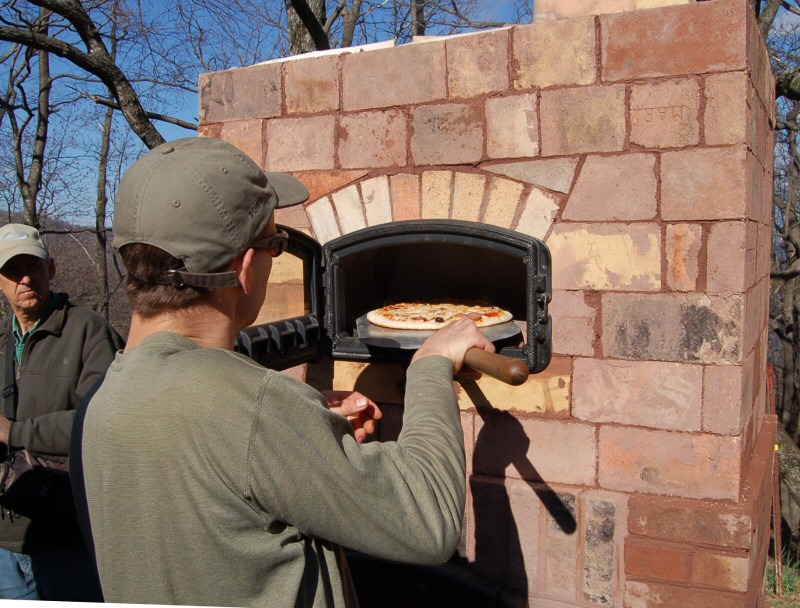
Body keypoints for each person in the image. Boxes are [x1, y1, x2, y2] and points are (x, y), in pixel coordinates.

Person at [81, 137, 493, 607]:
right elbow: (428, 522)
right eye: (276, 244)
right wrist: (431, 366)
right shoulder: (251, 412)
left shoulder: (107, 395)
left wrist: (306, 422)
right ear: (244, 268)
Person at [0, 223, 123, 600]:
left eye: (32, 266)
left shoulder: (88, 331)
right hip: (6, 541)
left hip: (68, 536)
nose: (24, 278)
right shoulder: (2, 342)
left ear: (50, 270)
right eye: (12, 270)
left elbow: (102, 421)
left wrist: (15, 432)